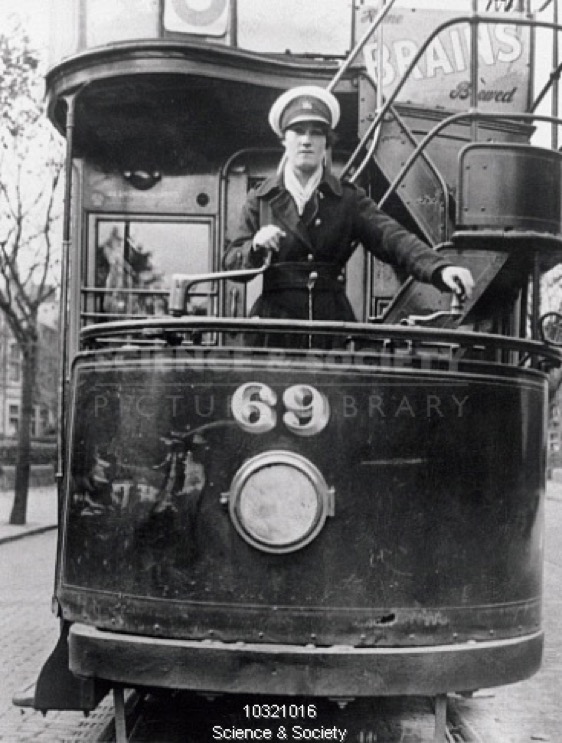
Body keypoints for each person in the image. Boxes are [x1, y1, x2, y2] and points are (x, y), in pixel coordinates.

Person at [223, 85, 473, 344]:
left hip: (332, 329)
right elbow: (231, 263)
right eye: (297, 131)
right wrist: (254, 246)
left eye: (316, 133)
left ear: (326, 143)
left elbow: (392, 237)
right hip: (273, 331)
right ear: (284, 139)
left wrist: (439, 269)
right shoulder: (261, 198)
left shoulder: (348, 199)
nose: (306, 140)